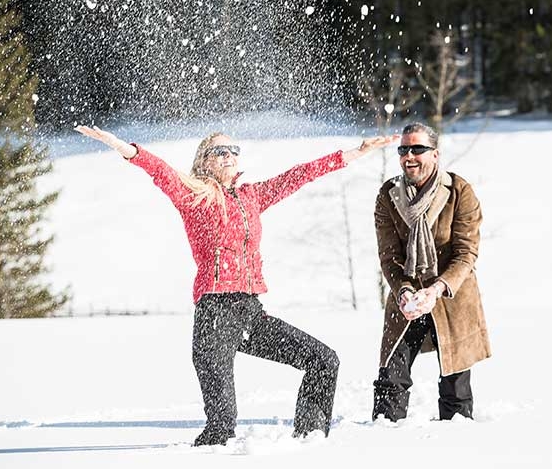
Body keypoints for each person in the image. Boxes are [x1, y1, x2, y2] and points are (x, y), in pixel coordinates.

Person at [75, 125, 398, 445]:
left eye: (233, 150)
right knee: (222, 427)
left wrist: (356, 152)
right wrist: (121, 146)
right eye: (220, 151)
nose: (229, 155)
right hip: (215, 315)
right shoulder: (194, 197)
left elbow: (299, 175)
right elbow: (159, 170)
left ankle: (308, 441)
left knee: (323, 360)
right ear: (204, 161)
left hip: (250, 313)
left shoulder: (251, 196)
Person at [372, 122, 491, 422]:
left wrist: (436, 289)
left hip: (451, 297)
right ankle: (381, 442)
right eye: (403, 149)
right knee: (391, 378)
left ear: (435, 154)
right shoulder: (389, 195)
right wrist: (405, 290)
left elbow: (466, 253)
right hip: (408, 297)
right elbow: (389, 257)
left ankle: (454, 447)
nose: (408, 156)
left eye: (417, 149)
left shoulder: (459, 191)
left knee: (456, 388)